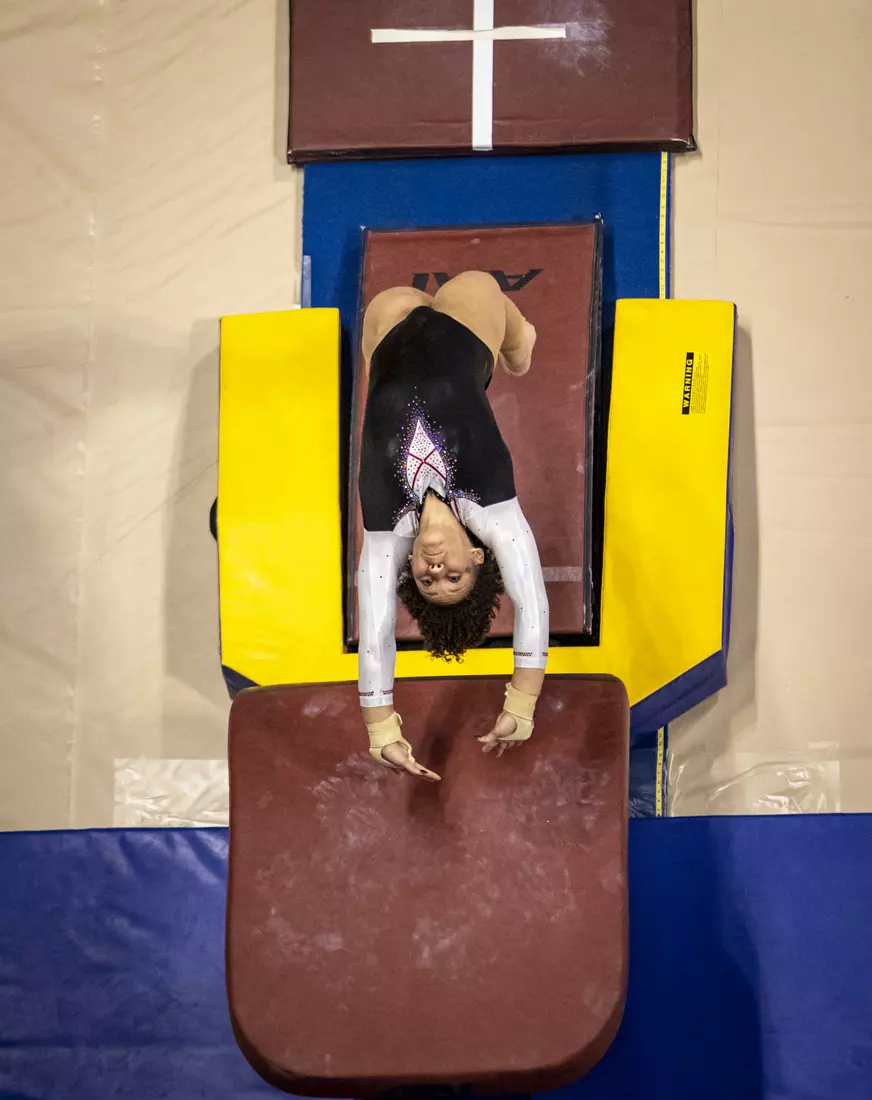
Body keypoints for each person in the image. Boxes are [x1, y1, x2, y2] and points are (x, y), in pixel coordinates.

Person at [357, 271, 549, 782]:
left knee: (395, 299)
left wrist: (381, 732)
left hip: (390, 336)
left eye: (426, 580)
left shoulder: (383, 534)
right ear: (479, 558)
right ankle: (519, 344)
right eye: (454, 578)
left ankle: (505, 338)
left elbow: (376, 632)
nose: (437, 568)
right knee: (478, 287)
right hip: (466, 334)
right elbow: (531, 601)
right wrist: (522, 702)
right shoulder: (493, 512)